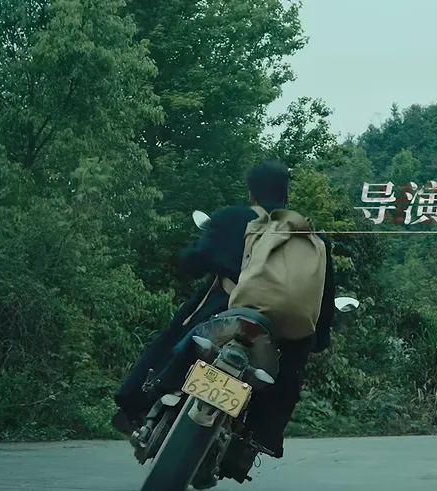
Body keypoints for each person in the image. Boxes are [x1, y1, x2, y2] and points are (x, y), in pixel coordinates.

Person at [112, 158, 336, 462]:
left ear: (251, 193)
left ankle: (143, 400)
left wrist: (188, 260)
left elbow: (195, 260)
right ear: (286, 195)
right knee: (289, 376)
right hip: (282, 335)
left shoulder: (233, 218)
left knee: (177, 336)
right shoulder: (313, 239)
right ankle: (257, 438)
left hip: (225, 315)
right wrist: (318, 339)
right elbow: (322, 300)